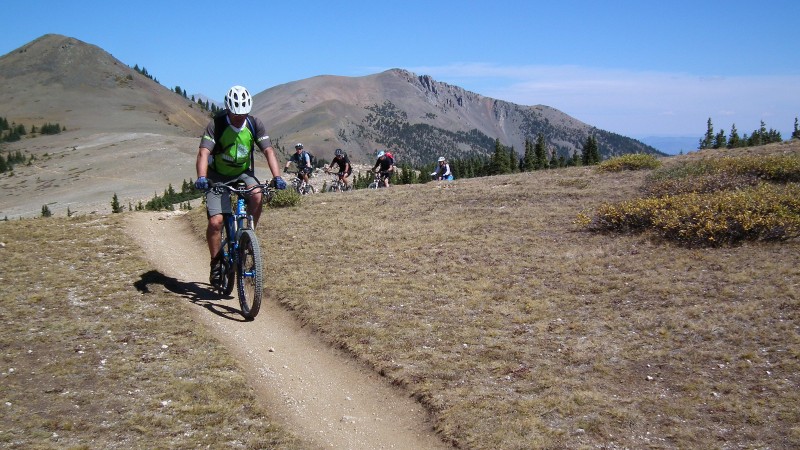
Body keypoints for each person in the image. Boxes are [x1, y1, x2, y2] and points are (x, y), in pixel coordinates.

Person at [194, 85, 286, 285]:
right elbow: (204, 153)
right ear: (228, 110)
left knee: (257, 195)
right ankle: (216, 263)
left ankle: (248, 235)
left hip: (243, 173)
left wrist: (277, 176)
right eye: (236, 114)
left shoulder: (254, 124)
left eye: (243, 114)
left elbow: (269, 151)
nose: (240, 118)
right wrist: (202, 177)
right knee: (215, 222)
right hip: (217, 176)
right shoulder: (216, 125)